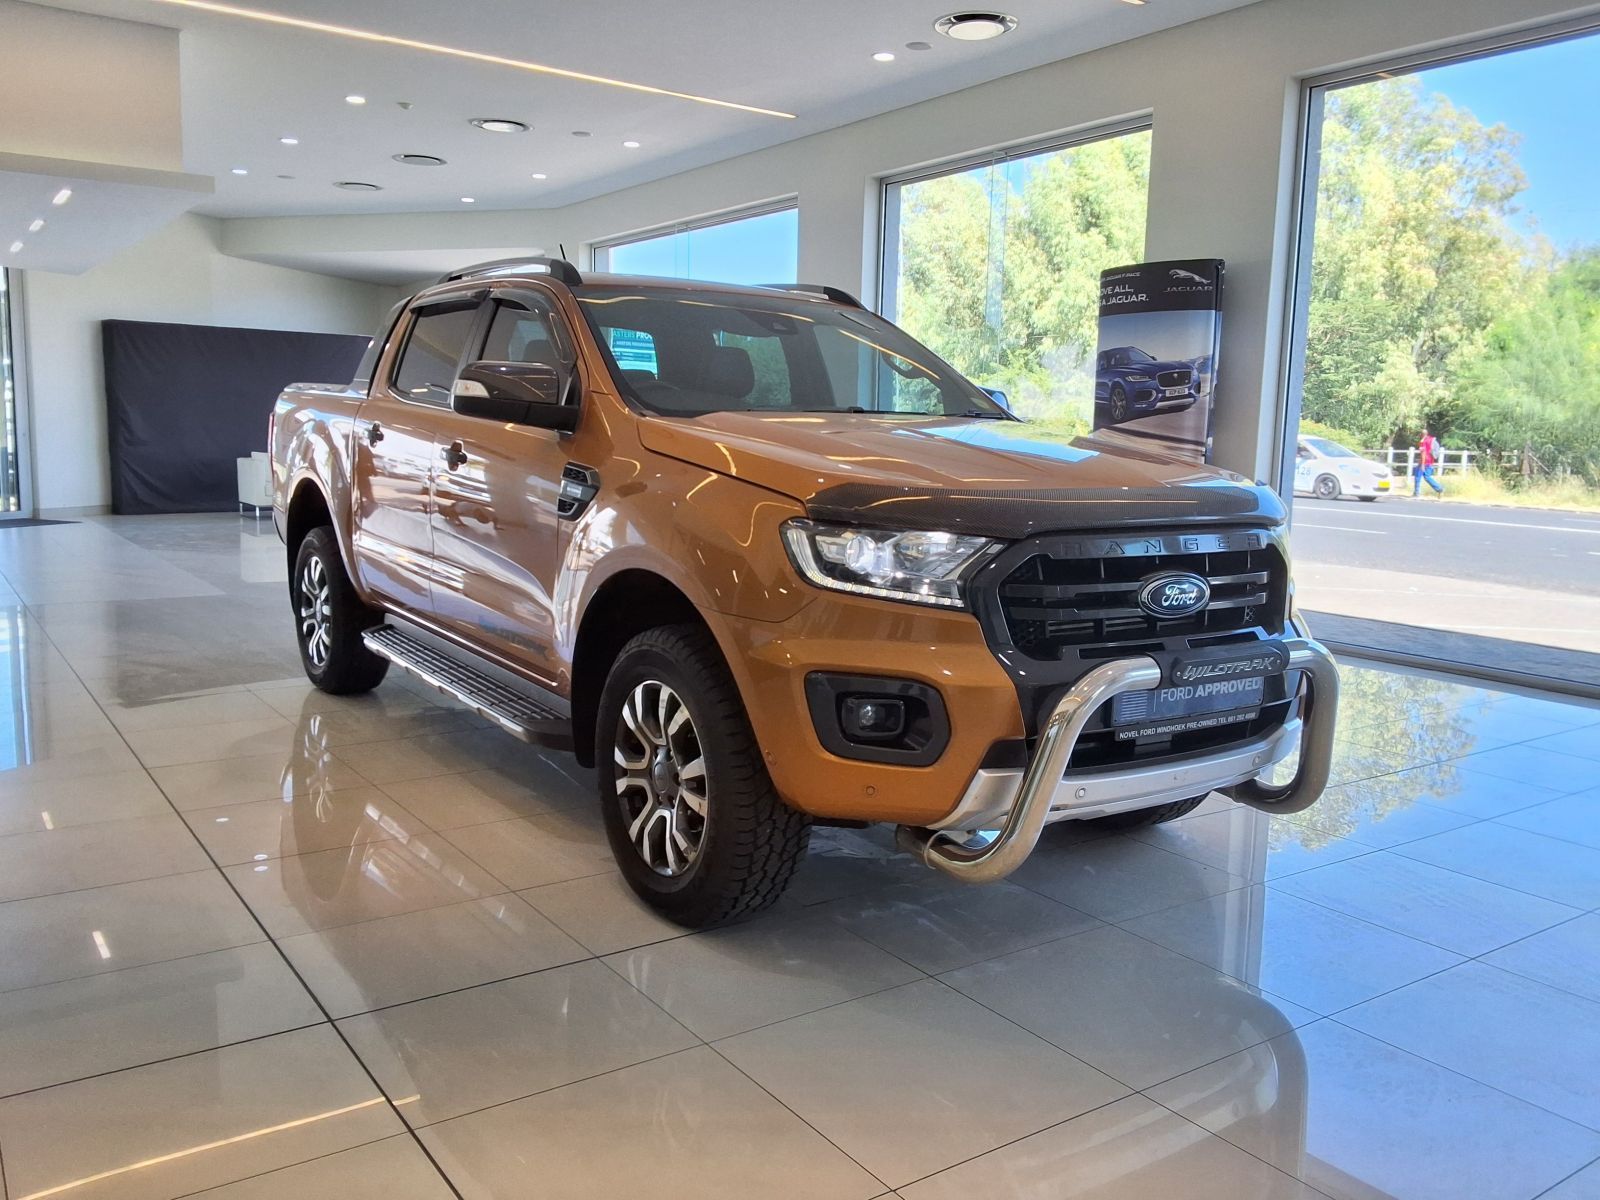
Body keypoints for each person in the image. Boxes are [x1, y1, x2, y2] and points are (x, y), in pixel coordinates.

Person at [1413, 427, 1444, 497]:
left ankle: (1416, 492)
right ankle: (1439, 488)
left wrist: (1422, 464)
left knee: (1417, 476)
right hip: (1430, 462)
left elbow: (1423, 453)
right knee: (1427, 477)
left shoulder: (1422, 441)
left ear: (1422, 434)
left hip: (1423, 462)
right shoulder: (1432, 440)